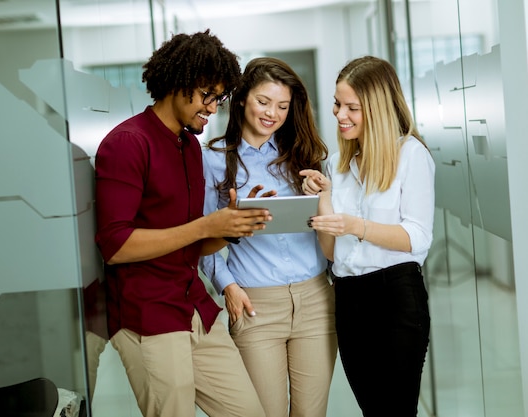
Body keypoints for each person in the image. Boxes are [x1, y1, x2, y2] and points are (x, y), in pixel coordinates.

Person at [94, 30, 272, 417]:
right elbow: (115, 246)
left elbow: (190, 241)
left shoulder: (189, 145)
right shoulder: (127, 143)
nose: (213, 107)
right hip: (148, 317)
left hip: (193, 306)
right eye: (207, 94)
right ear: (177, 83)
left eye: (219, 97)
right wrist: (207, 227)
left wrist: (232, 226)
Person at [201, 57, 337, 417]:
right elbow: (203, 238)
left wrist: (323, 195)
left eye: (282, 106)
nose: (272, 113)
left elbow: (331, 229)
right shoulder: (213, 161)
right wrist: (227, 286)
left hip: (316, 298)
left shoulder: (302, 155)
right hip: (255, 304)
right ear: (243, 98)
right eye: (264, 102)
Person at [302, 55, 435, 417]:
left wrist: (356, 226)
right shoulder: (337, 167)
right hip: (348, 300)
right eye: (337, 103)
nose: (339, 114)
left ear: (376, 109)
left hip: (396, 298)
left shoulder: (411, 155)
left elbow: (416, 237)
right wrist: (324, 196)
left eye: (351, 107)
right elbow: (331, 253)